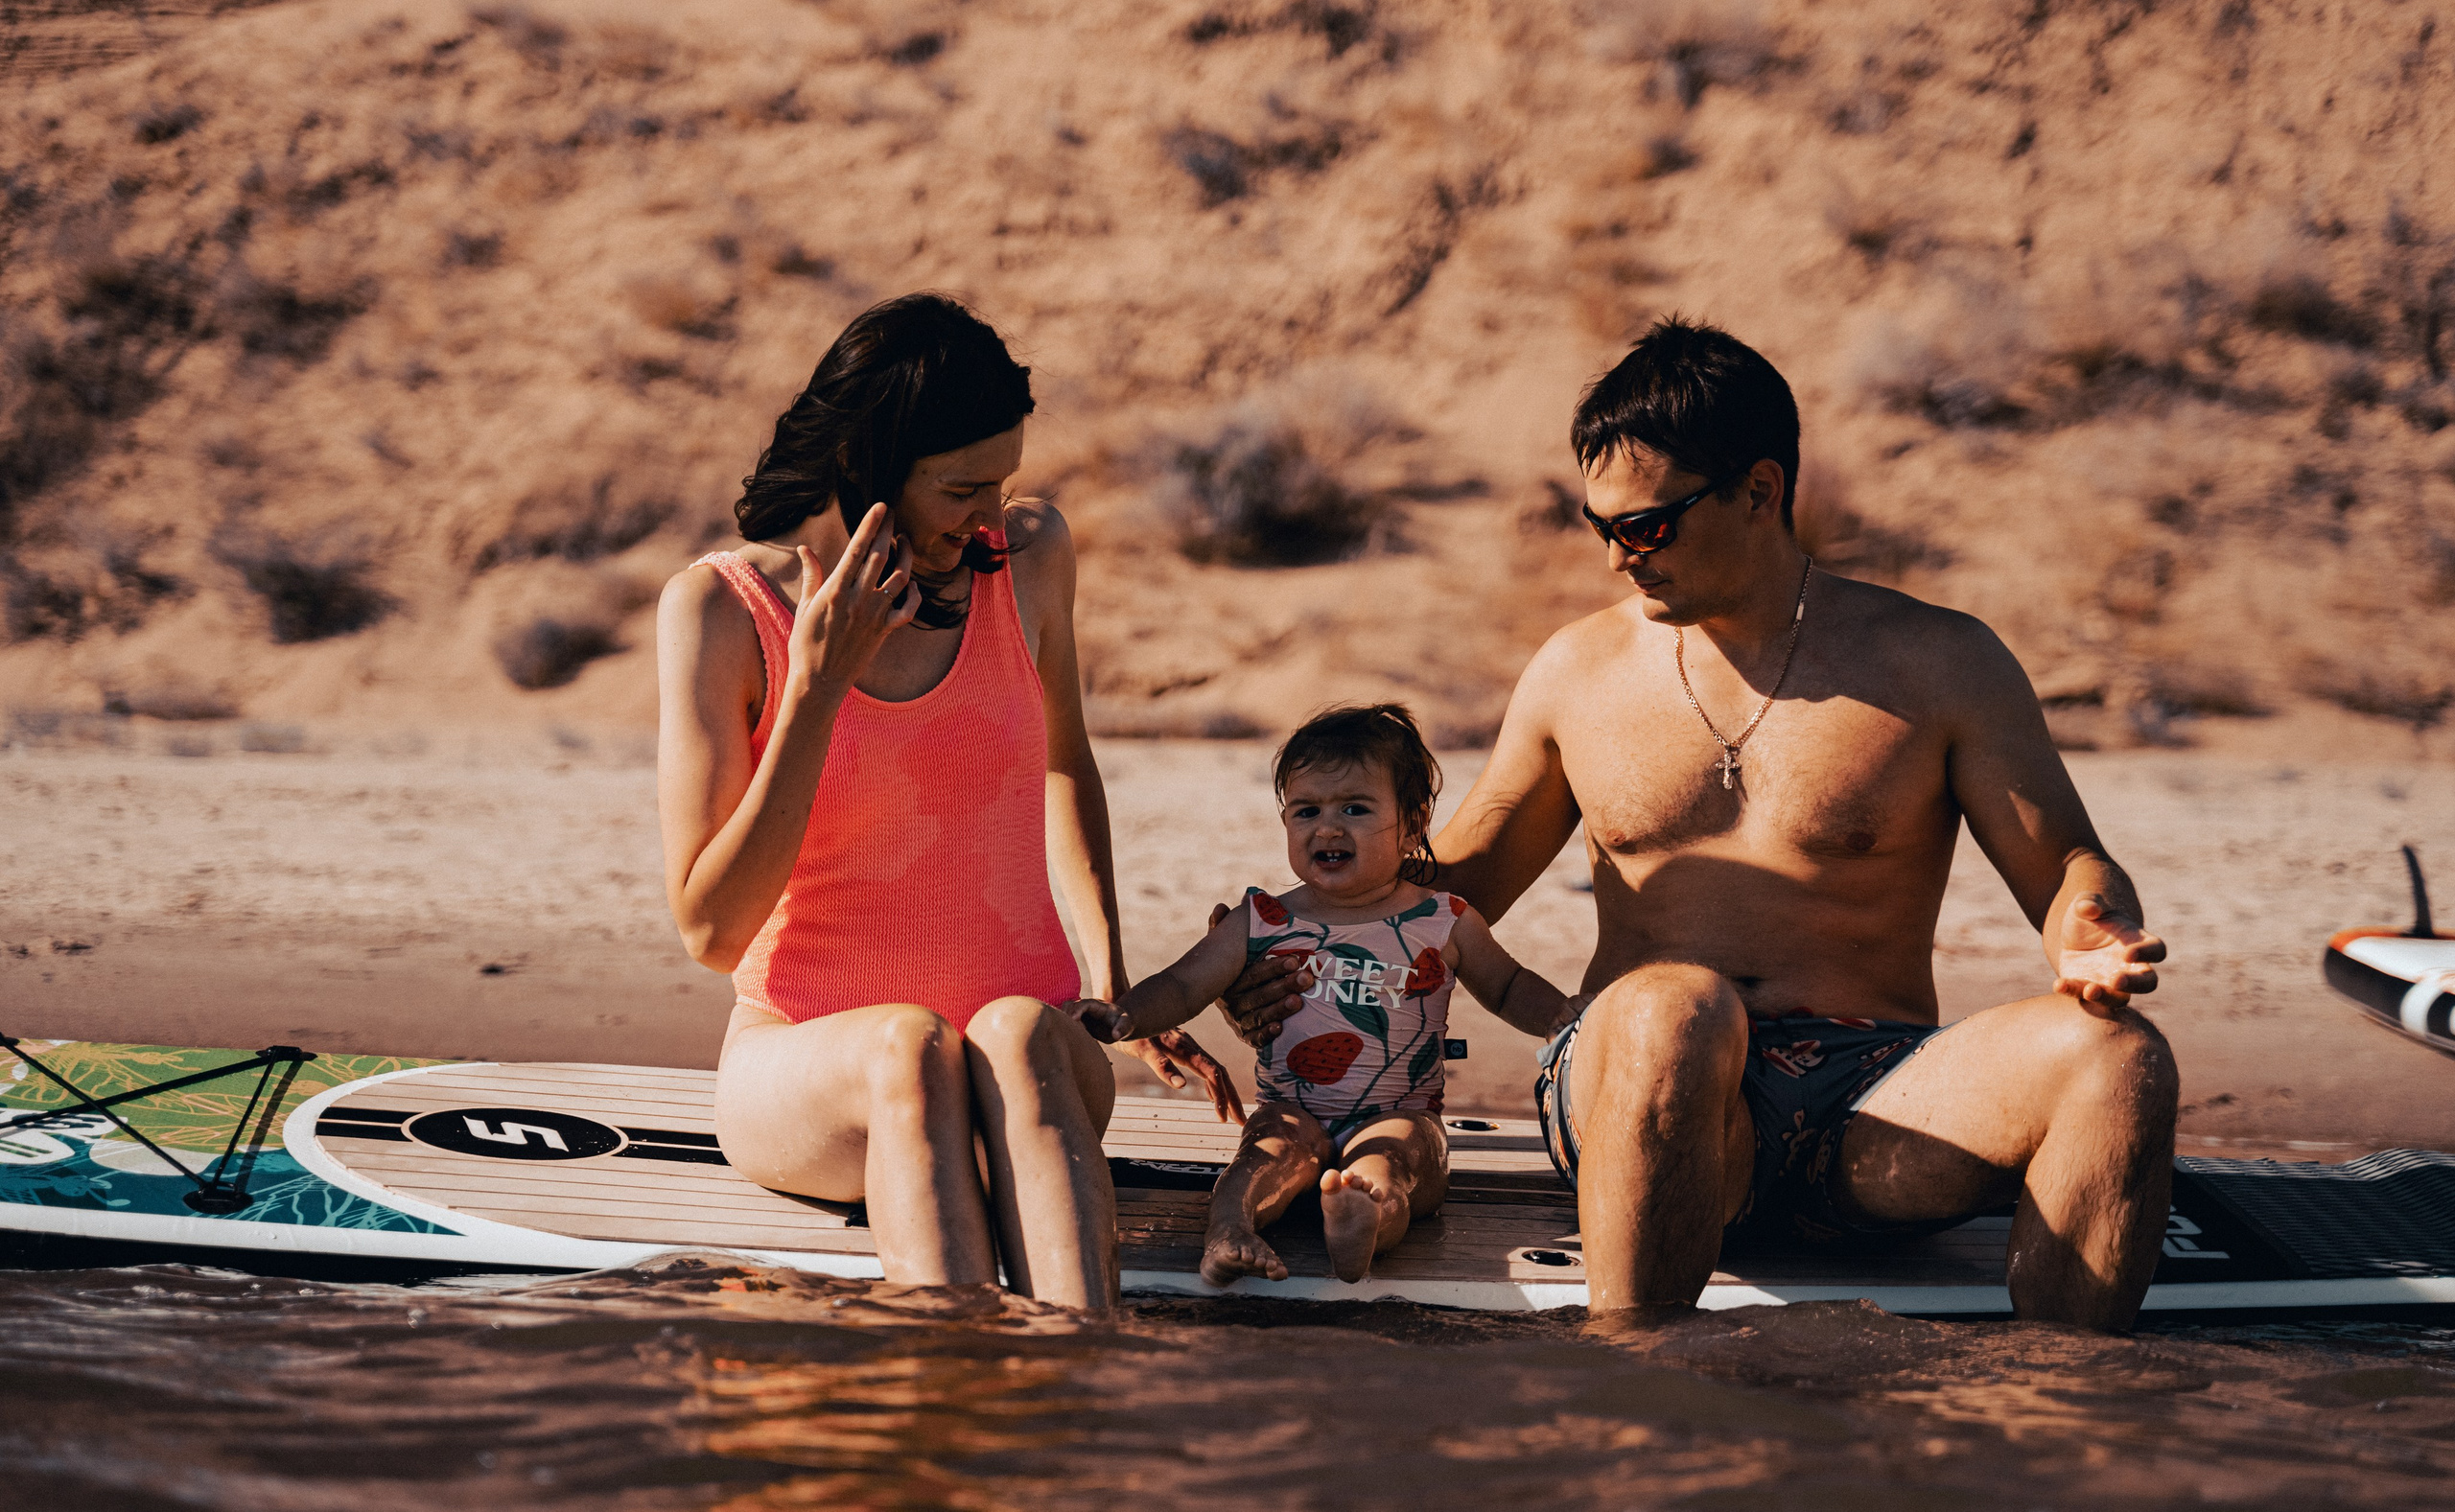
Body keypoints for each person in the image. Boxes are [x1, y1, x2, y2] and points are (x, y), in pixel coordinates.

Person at [1220, 316, 2179, 1331]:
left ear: (1759, 491)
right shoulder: (1575, 671)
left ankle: (2061, 1419)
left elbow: (2069, 863)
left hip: (1870, 1105)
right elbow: (1438, 886)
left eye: (1646, 526)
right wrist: (1283, 957)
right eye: (1600, 528)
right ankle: (1640, 1403)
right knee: (1677, 1004)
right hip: (1639, 1079)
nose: (1616, 560)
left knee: (2118, 1056)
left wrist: (2089, 920)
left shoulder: (1939, 663)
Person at [656, 293, 1238, 1312]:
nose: (984, 520)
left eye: (1000, 484)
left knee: (1012, 1028)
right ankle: (952, 1396)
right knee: (910, 1044)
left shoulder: (1030, 555)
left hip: (1033, 1067)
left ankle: (1074, 1378)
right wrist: (818, 685)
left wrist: (1109, 978)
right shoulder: (722, 612)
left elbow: (1066, 763)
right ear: (866, 468)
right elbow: (710, 927)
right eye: (960, 488)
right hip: (809, 1068)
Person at [1074, 705, 1565, 1287]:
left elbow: (1509, 986)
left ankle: (1361, 1222)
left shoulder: (1445, 920)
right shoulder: (1262, 919)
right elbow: (1183, 985)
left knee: (1398, 1162)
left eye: (1355, 809)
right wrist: (1124, 1015)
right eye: (1307, 811)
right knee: (1262, 1158)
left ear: (1412, 825)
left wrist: (1566, 1018)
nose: (1327, 828)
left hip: (1401, 1113)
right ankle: (1230, 1229)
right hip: (1292, 1110)